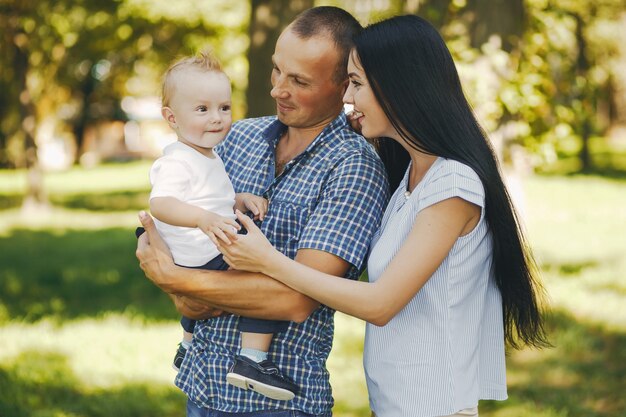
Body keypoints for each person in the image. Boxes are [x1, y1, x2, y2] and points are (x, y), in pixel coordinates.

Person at [215, 15, 550, 417]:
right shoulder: (410, 176)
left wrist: (267, 261)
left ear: (397, 87)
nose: (348, 99)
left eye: (356, 83)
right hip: (396, 405)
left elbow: (381, 303)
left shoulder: (453, 185)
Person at [135, 6, 389, 417]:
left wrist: (179, 279)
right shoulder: (235, 137)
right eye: (276, 71)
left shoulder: (354, 167)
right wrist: (183, 287)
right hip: (201, 388)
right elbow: (181, 263)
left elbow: (295, 300)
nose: (277, 90)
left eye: (299, 81)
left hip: (276, 406)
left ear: (343, 86)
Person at [145, 51, 302, 400]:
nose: (216, 118)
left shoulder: (206, 154)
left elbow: (210, 197)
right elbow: (161, 203)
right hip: (199, 253)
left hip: (198, 251)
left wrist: (238, 200)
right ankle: (252, 358)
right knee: (266, 282)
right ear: (171, 117)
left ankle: (187, 344)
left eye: (224, 108)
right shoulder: (178, 161)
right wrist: (203, 219)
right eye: (202, 110)